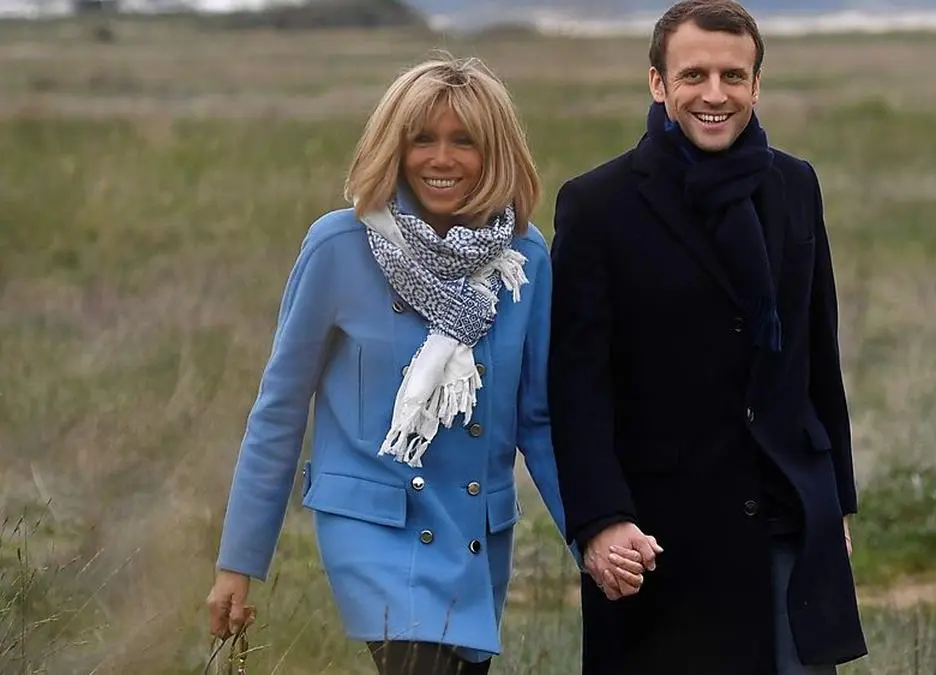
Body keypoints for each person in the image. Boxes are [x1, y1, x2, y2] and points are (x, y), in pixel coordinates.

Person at [204, 54, 645, 675]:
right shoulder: (338, 246)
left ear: (495, 152)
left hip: (473, 531)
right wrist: (239, 562)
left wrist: (594, 530)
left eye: (464, 141)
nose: (442, 159)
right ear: (394, 146)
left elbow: (539, 420)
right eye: (422, 140)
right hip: (375, 527)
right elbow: (279, 410)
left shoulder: (524, 258)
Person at [547, 1, 869, 674]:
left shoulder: (795, 185)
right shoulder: (597, 205)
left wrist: (835, 503)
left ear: (757, 84)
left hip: (787, 516)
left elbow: (818, 353)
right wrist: (600, 520)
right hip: (662, 534)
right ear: (657, 82)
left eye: (733, 76)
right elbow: (577, 386)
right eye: (694, 75)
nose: (714, 95)